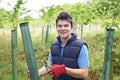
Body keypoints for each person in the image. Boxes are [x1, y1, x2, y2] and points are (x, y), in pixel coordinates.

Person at [27, 12, 89, 80]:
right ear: (56, 27)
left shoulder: (81, 47)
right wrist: (36, 73)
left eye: (66, 25)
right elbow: (48, 66)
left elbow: (84, 73)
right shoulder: (54, 46)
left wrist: (64, 70)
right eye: (59, 26)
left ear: (72, 27)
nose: (62, 29)